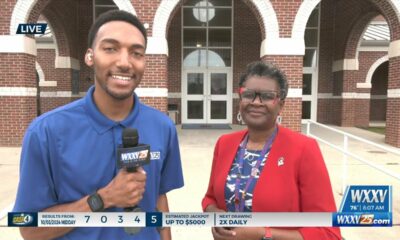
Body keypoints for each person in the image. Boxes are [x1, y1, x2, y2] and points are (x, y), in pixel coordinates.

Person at [13, 10, 184, 240]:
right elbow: (30, 228)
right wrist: (103, 198)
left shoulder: (163, 127)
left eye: (136, 52)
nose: (124, 62)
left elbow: (159, 197)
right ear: (90, 56)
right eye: (110, 48)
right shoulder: (45, 133)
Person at [202, 61, 341, 240]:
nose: (256, 102)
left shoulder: (304, 149)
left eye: (267, 96)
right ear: (240, 100)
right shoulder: (225, 143)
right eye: (249, 95)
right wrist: (215, 215)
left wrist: (263, 234)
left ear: (281, 105)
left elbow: (327, 232)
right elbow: (210, 198)